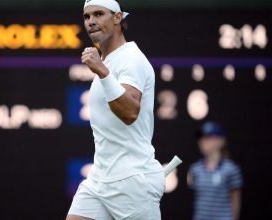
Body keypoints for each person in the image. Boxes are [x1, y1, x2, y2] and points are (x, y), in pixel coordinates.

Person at [66, 0, 165, 219]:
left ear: (117, 17)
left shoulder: (131, 58)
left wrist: (102, 72)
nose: (91, 21)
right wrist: (103, 69)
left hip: (133, 182)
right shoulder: (108, 60)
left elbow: (130, 113)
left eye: (99, 14)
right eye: (87, 16)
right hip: (99, 179)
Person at [187, 122, 243, 220]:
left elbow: (235, 200)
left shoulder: (232, 169)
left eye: (208, 137)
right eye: (201, 138)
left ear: (221, 141)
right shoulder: (195, 169)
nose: (202, 141)